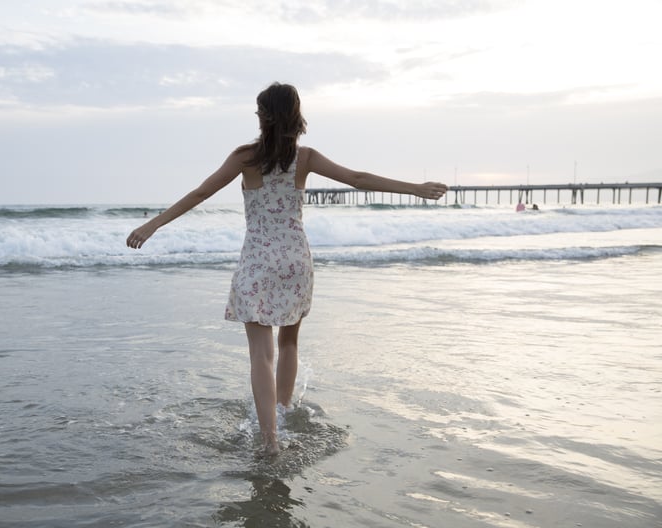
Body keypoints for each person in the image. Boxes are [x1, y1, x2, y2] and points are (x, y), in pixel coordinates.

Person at [126, 82, 448, 455]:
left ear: (262, 117)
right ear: (297, 116)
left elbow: (201, 193)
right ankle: (283, 411)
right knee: (289, 342)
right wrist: (416, 189)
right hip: (295, 260)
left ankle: (270, 440)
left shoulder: (245, 157)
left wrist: (152, 225)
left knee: (261, 354)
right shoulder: (306, 157)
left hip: (258, 261)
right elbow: (358, 180)